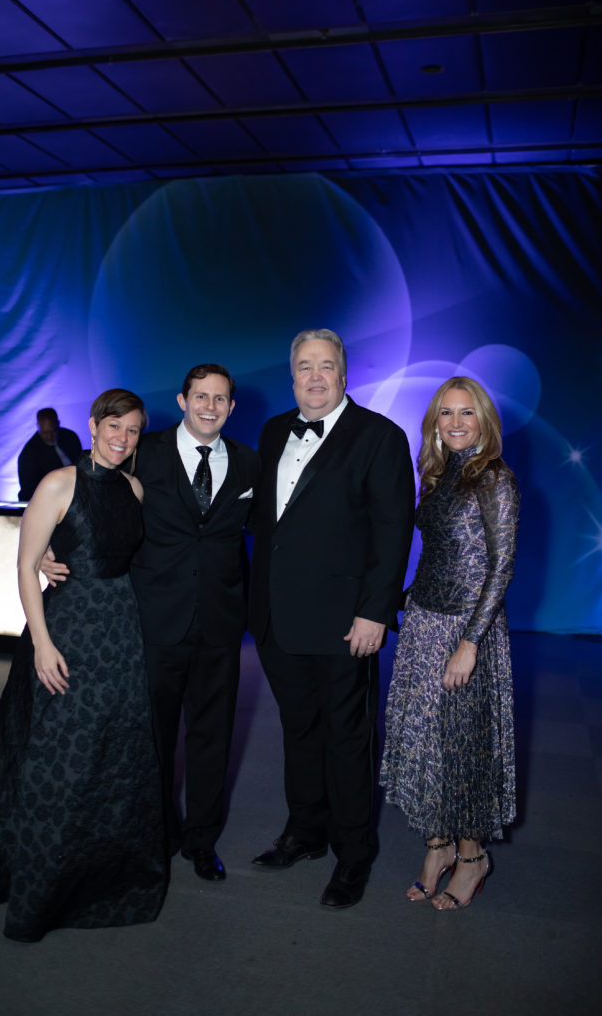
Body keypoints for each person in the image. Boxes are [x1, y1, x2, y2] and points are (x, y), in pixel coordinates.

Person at [0, 389, 166, 942]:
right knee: (57, 757)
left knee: (113, 753)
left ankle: (96, 874)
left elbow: (123, 553)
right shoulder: (58, 483)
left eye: (133, 430)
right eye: (114, 426)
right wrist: (41, 642)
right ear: (92, 425)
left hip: (120, 631)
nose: (122, 438)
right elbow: (23, 566)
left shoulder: (134, 488)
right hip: (67, 632)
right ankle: (39, 882)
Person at [43, 364, 260, 883]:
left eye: (220, 399)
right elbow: (89, 494)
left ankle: (201, 841)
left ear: (232, 408)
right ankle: (158, 832)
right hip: (153, 622)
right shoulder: (143, 449)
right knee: (154, 738)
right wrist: (51, 545)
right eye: (200, 396)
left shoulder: (252, 463)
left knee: (213, 738)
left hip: (221, 626)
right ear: (183, 401)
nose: (210, 406)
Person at [249, 329, 415, 909]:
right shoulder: (273, 431)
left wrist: (375, 612)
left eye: (326, 366)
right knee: (299, 732)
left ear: (344, 375)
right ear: (291, 377)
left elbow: (393, 534)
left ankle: (354, 854)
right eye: (303, 367)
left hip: (348, 625)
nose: (314, 377)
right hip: (277, 620)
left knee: (348, 740)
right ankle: (305, 832)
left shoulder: (380, 436)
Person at [380, 376, 519, 910]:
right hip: (423, 623)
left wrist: (470, 642)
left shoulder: (495, 480)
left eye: (467, 413)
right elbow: (440, 552)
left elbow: (500, 568)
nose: (456, 423)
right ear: (434, 421)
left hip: (467, 629)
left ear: (484, 420)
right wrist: (407, 598)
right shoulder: (435, 475)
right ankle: (436, 847)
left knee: (462, 746)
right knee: (422, 741)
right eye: (446, 413)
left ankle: (471, 857)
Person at [17, 407, 82, 500]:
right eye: (45, 432)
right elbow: (28, 492)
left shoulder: (71, 437)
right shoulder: (29, 454)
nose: (49, 436)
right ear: (38, 427)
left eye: (53, 431)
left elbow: (82, 468)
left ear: (58, 424)